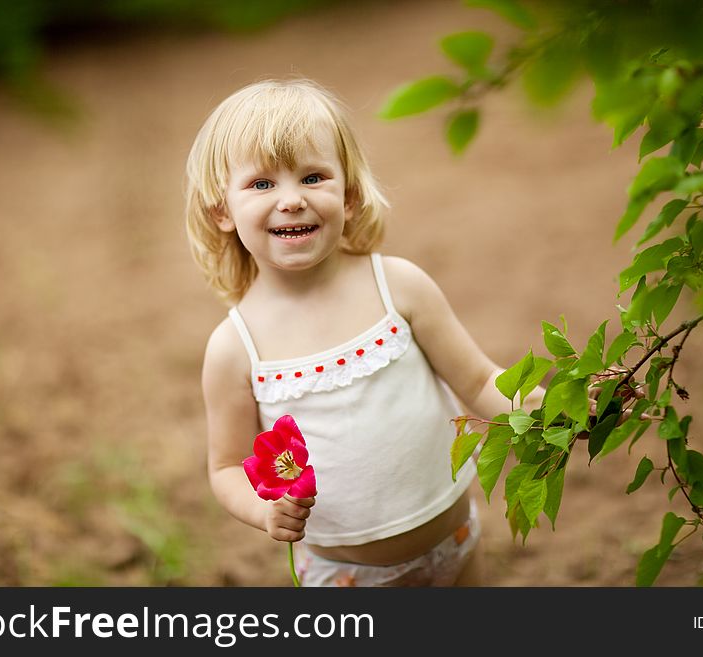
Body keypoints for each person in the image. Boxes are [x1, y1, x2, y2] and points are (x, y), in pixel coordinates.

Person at [185, 78, 544, 587]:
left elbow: (482, 382)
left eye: (313, 177)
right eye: (262, 184)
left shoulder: (398, 286)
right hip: (347, 576)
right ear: (221, 210)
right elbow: (225, 468)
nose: (291, 200)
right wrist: (265, 510)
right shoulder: (235, 347)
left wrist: (559, 411)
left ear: (349, 196)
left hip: (456, 542)